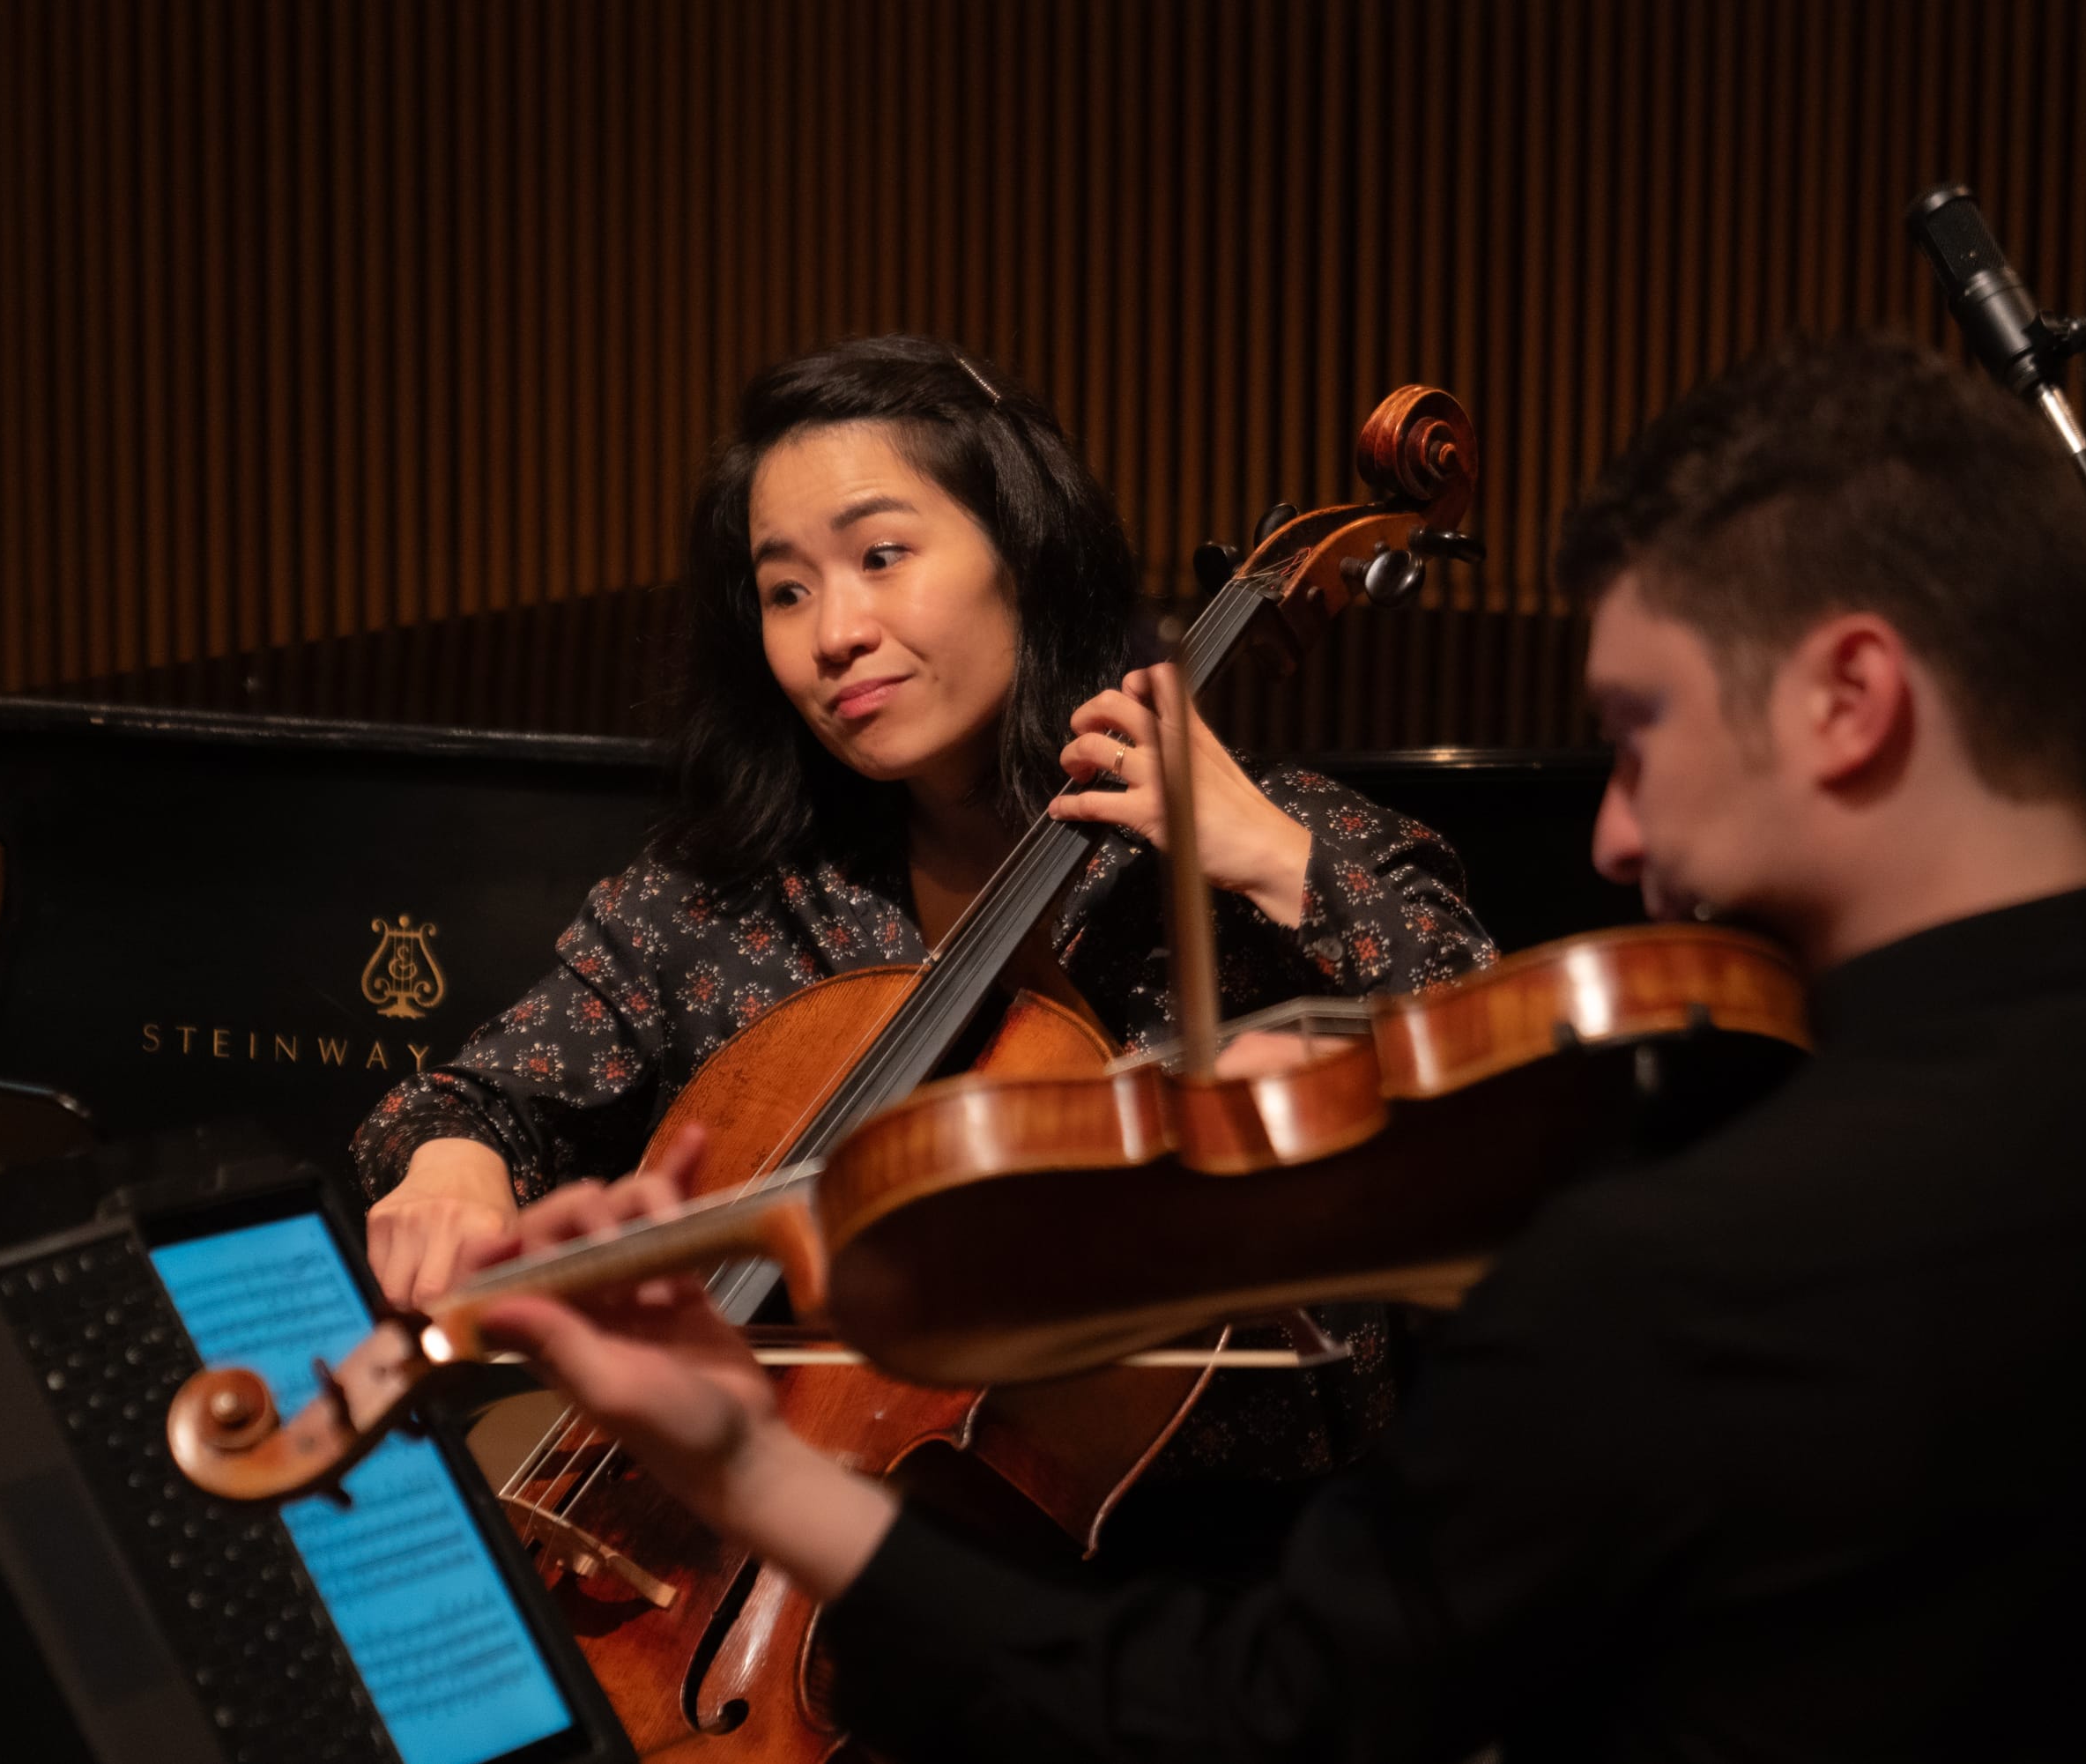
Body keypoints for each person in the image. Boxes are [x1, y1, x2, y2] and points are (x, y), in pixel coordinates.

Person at [467, 334, 2086, 1762]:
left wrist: (750, 1460)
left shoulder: (1673, 1271)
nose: (1615, 836)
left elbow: (1243, 1717)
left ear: (1850, 697)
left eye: (1638, 733)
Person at [355, 334, 1495, 1479]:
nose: (833, 633)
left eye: (881, 555)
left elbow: (1515, 1093)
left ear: (1025, 552)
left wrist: (1277, 862)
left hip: (1217, 1562)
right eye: (786, 590)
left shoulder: (1288, 843)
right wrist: (452, 1165)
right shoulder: (732, 893)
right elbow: (471, 1100)